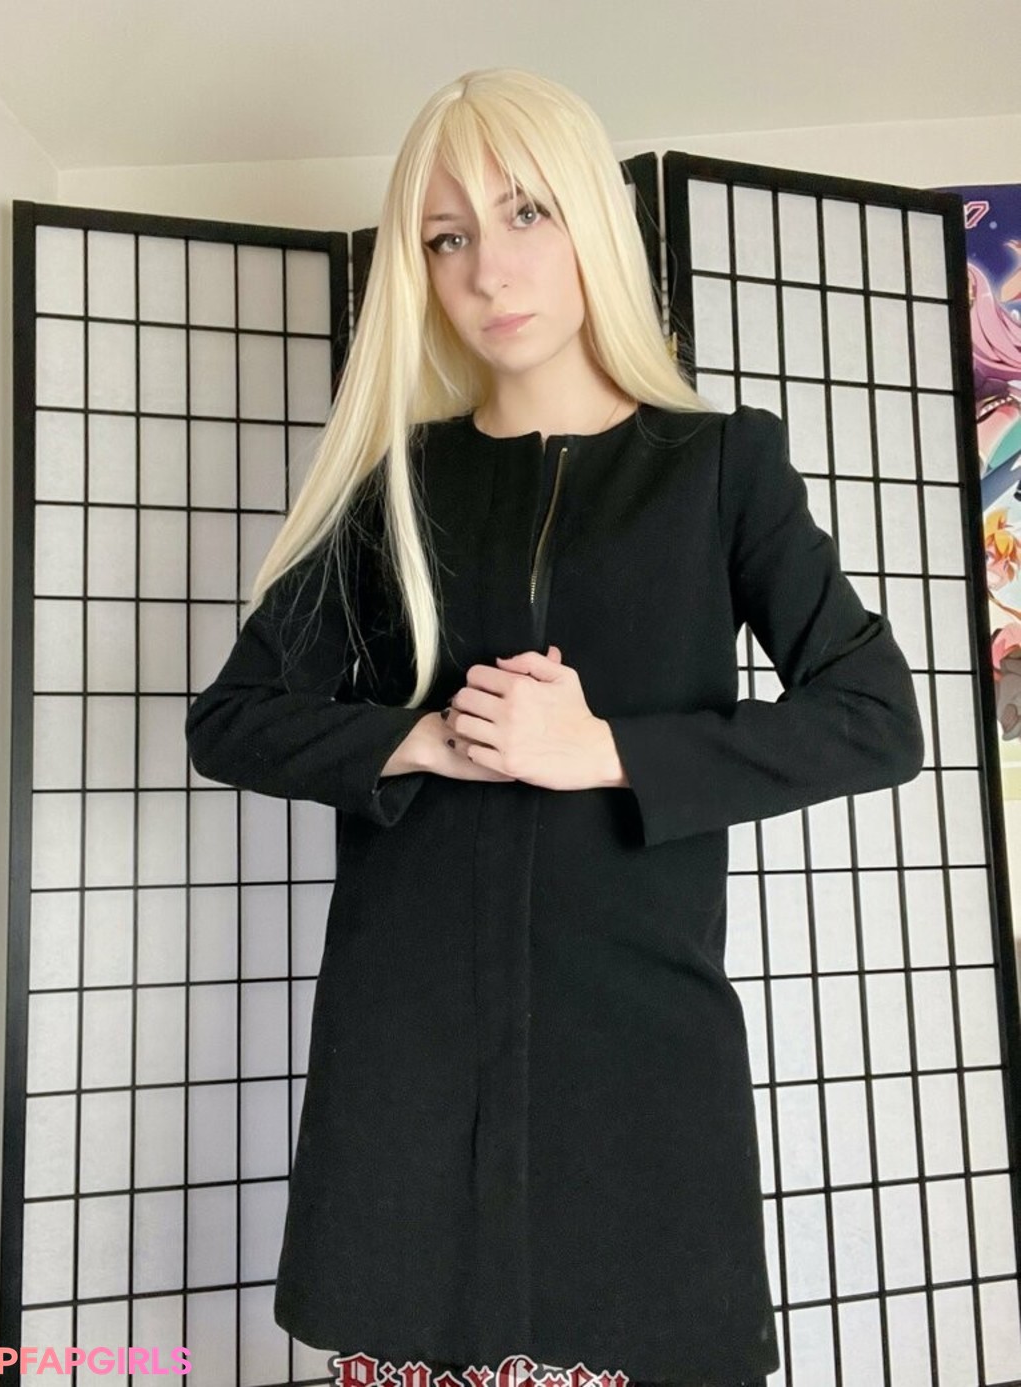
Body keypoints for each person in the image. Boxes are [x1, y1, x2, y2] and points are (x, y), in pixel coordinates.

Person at [185, 67, 925, 1387]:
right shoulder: (395, 484)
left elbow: (875, 719)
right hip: (410, 1052)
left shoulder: (720, 468)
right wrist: (415, 740)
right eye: (447, 236)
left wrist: (609, 753)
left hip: (634, 1051)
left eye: (526, 212)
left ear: (594, 218)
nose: (489, 268)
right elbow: (230, 720)